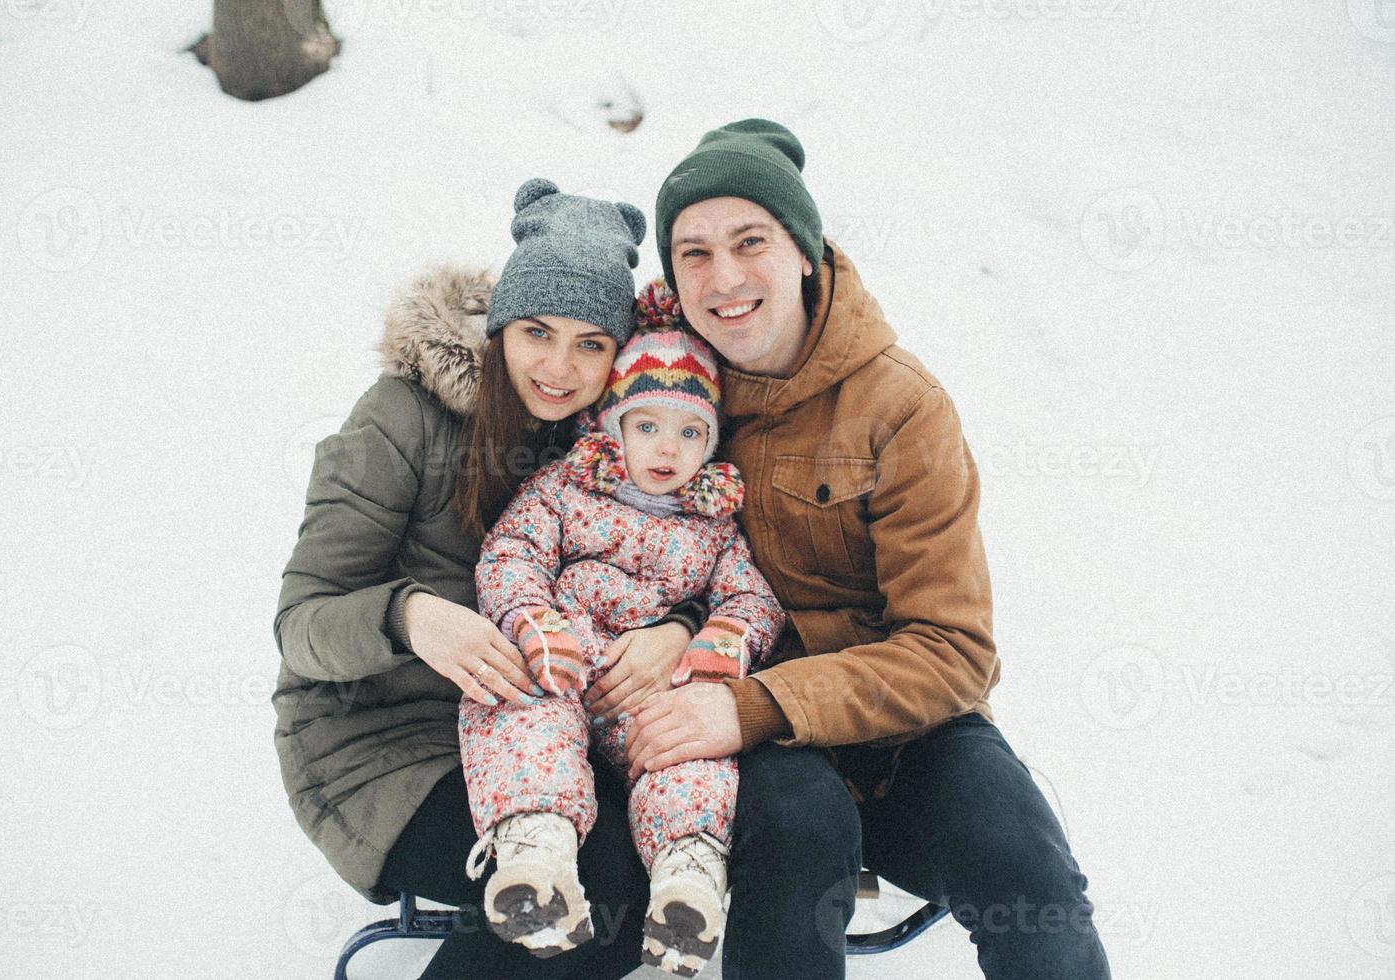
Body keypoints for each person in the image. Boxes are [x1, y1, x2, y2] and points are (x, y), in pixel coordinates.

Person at [625, 119, 1114, 979]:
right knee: (797, 854)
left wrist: (760, 704)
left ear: (806, 252)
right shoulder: (664, 394)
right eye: (693, 253)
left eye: (751, 242)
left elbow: (954, 649)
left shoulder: (900, 406)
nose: (725, 277)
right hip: (753, 732)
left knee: (1028, 875)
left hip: (906, 723)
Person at [273, 177, 705, 979]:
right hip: (384, 743)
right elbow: (301, 624)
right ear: (501, 325)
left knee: (653, 859)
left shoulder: (612, 442)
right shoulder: (400, 418)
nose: (557, 366)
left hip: (541, 731)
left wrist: (676, 626)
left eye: (590, 343)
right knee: (600, 889)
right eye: (537, 331)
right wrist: (414, 619)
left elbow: (701, 552)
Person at [458, 312, 784, 976]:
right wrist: (532, 621)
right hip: (564, 659)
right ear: (613, 428)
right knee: (520, 710)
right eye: (648, 426)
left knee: (687, 746)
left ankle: (685, 877)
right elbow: (510, 554)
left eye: (691, 432)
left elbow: (752, 599)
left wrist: (721, 640)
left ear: (712, 444)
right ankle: (535, 852)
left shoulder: (715, 526)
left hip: (650, 687)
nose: (668, 449)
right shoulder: (565, 491)